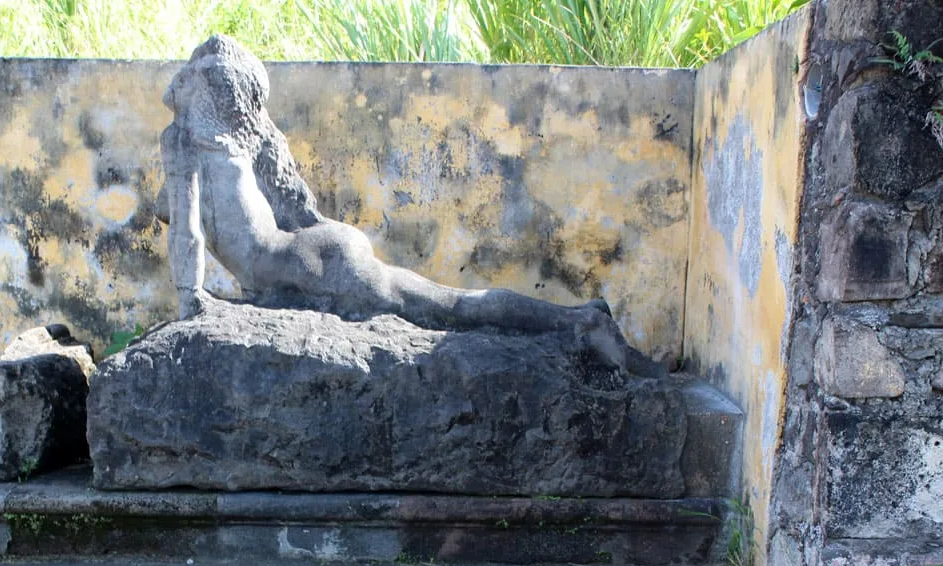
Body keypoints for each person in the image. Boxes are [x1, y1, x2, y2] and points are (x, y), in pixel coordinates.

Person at [157, 35, 660, 377]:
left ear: (199, 85)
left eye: (182, 80)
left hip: (310, 267)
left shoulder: (184, 142)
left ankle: (579, 324)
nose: (170, 92)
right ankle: (579, 318)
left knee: (446, 308)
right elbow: (227, 217)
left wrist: (191, 301)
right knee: (443, 302)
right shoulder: (240, 141)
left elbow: (187, 231)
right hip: (311, 254)